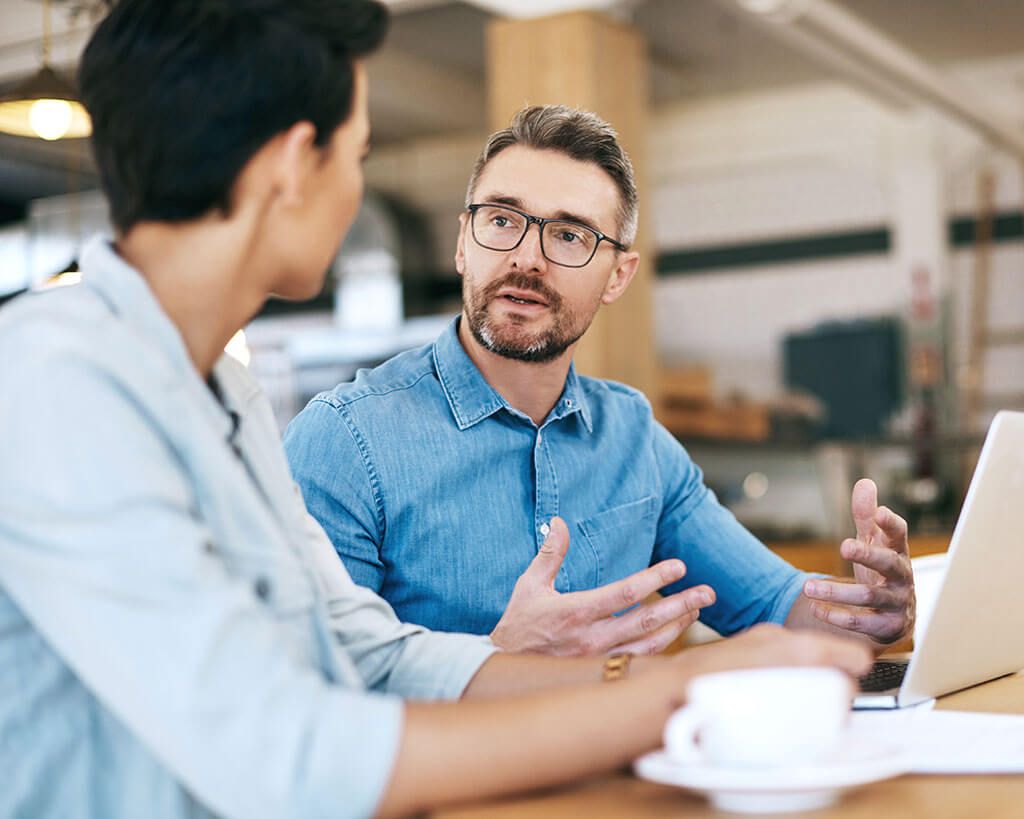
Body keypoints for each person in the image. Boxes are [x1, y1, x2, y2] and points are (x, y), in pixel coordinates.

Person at [0, 2, 873, 818]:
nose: (356, 191)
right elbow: (285, 751)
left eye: (569, 235)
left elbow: (369, 653)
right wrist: (683, 693)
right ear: (292, 167)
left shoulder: (220, 389)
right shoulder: (52, 378)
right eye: (359, 153)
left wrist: (649, 675)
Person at [283, 104, 916, 657]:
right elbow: (308, 693)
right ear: (462, 244)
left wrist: (868, 613)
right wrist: (500, 656)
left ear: (617, 276)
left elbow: (777, 606)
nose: (526, 257)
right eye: (501, 220)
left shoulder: (634, 437)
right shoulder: (344, 441)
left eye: (569, 234)